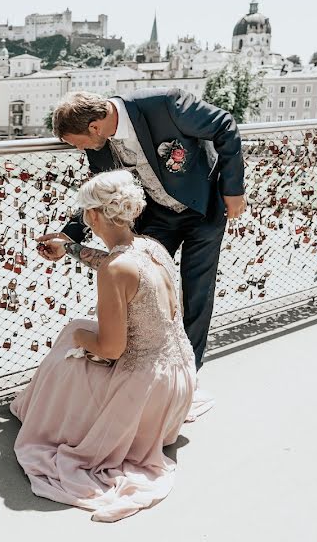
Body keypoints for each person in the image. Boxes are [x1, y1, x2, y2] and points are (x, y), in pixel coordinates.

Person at [37, 88, 247, 420]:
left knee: (196, 293)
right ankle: (145, 369)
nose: (77, 149)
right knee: (140, 284)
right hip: (159, 217)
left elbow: (224, 125)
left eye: (75, 142)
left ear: (94, 126)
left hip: (205, 209)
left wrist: (233, 190)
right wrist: (70, 235)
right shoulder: (100, 147)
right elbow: (99, 195)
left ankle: (186, 379)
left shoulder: (167, 105)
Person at [11, 170, 196, 522]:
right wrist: (71, 249)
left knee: (74, 334)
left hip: (145, 397)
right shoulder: (151, 246)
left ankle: (47, 421)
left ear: (94, 216)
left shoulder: (115, 270)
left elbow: (111, 350)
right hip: (179, 382)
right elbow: (111, 260)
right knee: (79, 329)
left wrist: (77, 337)